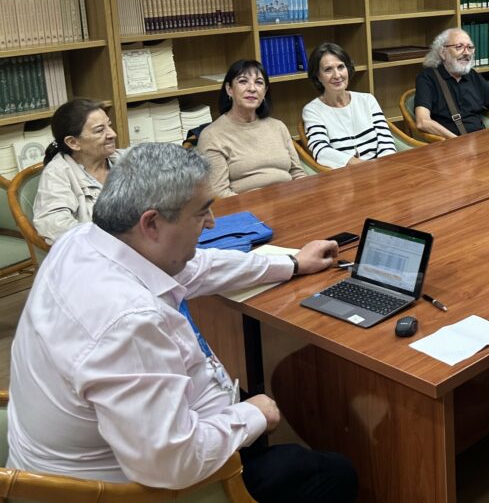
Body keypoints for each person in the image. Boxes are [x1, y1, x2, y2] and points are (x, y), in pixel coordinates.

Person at [7, 143, 357, 502]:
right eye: (202, 212)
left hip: (100, 449)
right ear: (152, 223)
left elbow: (197, 266)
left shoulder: (84, 241)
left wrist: (293, 263)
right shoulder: (128, 322)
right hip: (123, 489)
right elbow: (172, 464)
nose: (212, 223)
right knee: (333, 472)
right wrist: (253, 416)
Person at [197, 60, 305, 197]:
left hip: (289, 201)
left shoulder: (278, 127)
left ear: (265, 91)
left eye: (259, 82)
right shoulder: (211, 136)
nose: (252, 88)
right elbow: (219, 193)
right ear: (229, 89)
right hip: (247, 210)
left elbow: (297, 173)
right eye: (243, 81)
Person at [31, 98, 122, 244]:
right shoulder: (57, 173)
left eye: (109, 126)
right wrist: (109, 239)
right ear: (73, 143)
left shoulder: (123, 159)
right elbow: (53, 226)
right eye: (100, 130)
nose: (112, 134)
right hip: (94, 256)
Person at [302, 42, 396, 167]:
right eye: (328, 70)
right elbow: (322, 151)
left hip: (382, 169)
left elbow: (386, 142)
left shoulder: (367, 100)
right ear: (318, 76)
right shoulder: (312, 110)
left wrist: (384, 167)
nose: (337, 75)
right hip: (345, 176)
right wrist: (361, 166)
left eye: (341, 67)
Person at [414, 28, 489, 138]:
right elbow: (423, 122)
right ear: (443, 53)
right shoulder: (427, 78)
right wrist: (456, 141)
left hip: (481, 142)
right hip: (448, 146)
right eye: (459, 47)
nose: (466, 52)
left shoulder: (472, 75)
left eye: (470, 47)